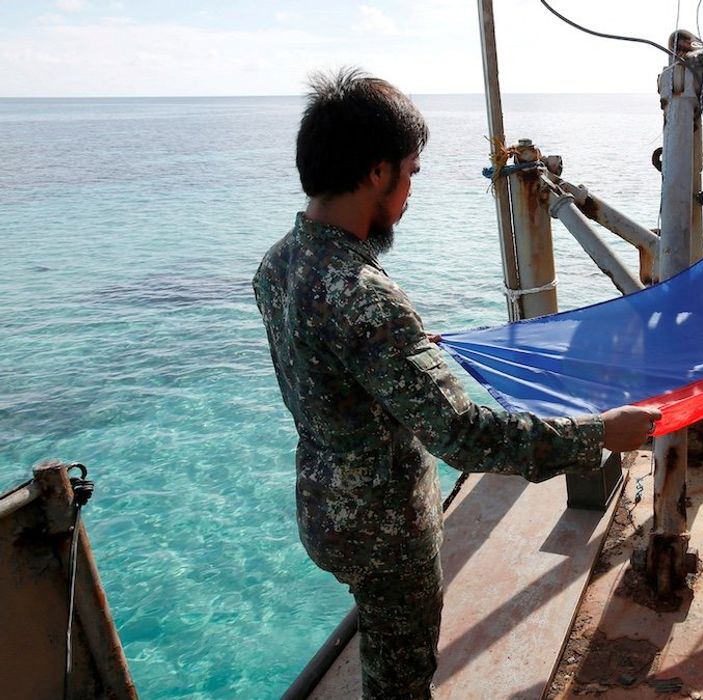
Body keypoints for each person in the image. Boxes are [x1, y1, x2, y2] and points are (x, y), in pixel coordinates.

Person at [252, 67, 659, 699]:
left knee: (384, 655)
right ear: (377, 172)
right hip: (385, 530)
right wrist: (599, 433)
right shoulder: (365, 299)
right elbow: (464, 436)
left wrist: (405, 360)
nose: (411, 193)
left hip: (324, 507)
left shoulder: (278, 264)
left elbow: (329, 369)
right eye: (410, 173)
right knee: (400, 680)